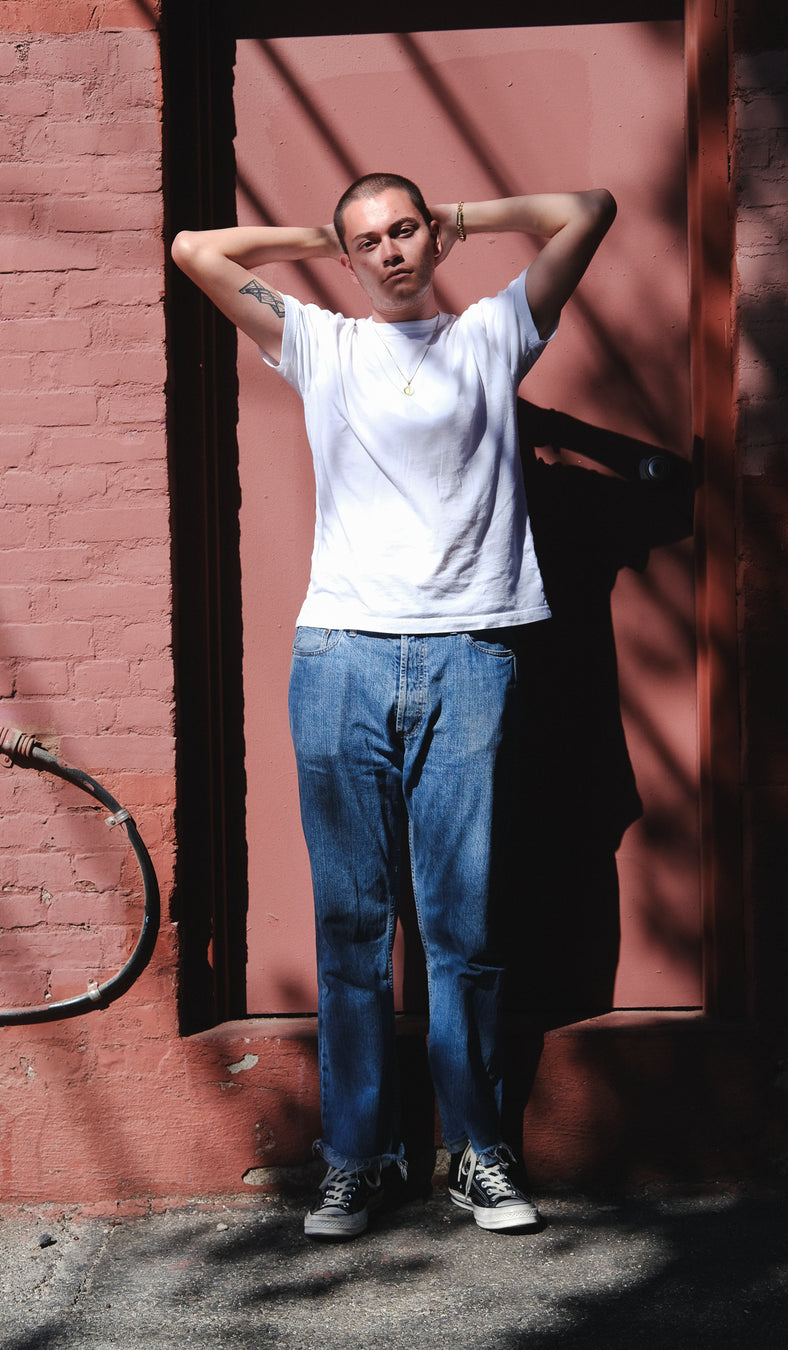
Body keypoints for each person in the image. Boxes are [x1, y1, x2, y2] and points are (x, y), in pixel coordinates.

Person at [172, 172, 616, 1240]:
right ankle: (358, 1161)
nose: (390, 252)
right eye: (368, 240)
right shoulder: (321, 345)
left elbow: (589, 211)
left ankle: (479, 1155)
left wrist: (466, 217)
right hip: (343, 660)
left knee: (465, 927)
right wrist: (321, 235)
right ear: (349, 254)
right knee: (353, 927)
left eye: (406, 230)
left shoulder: (494, 335)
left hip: (470, 654)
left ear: (433, 235)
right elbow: (195, 250)